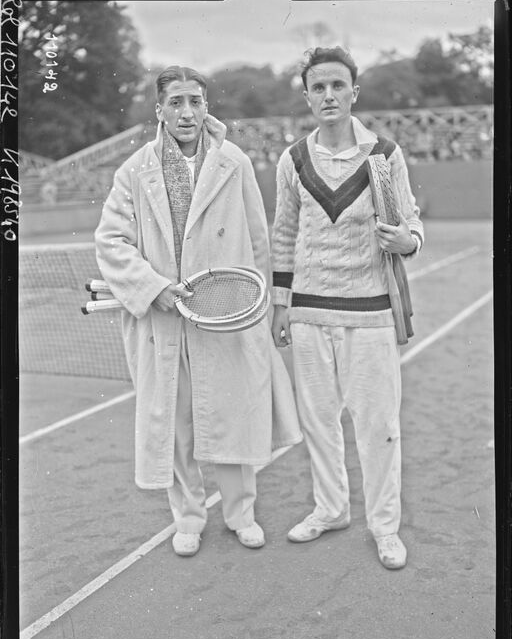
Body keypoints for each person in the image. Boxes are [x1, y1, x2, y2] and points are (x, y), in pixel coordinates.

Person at [95, 66, 301, 557]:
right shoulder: (134, 170)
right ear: (160, 111)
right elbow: (111, 241)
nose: (187, 112)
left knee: (232, 414)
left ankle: (241, 514)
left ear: (207, 106)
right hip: (164, 320)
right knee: (178, 424)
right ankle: (188, 517)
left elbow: (258, 240)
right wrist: (155, 288)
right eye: (175, 102)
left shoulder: (235, 162)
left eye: (195, 101)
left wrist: (268, 305)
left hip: (227, 315)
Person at [271, 47, 424, 569]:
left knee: (378, 424)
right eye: (319, 87)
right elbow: (285, 233)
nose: (329, 96)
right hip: (310, 311)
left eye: (338, 86)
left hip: (371, 312)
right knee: (318, 421)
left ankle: (385, 527)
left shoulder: (384, 153)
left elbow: (412, 226)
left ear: (354, 91)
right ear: (308, 95)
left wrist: (405, 239)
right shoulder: (291, 159)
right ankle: (331, 508)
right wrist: (280, 304)